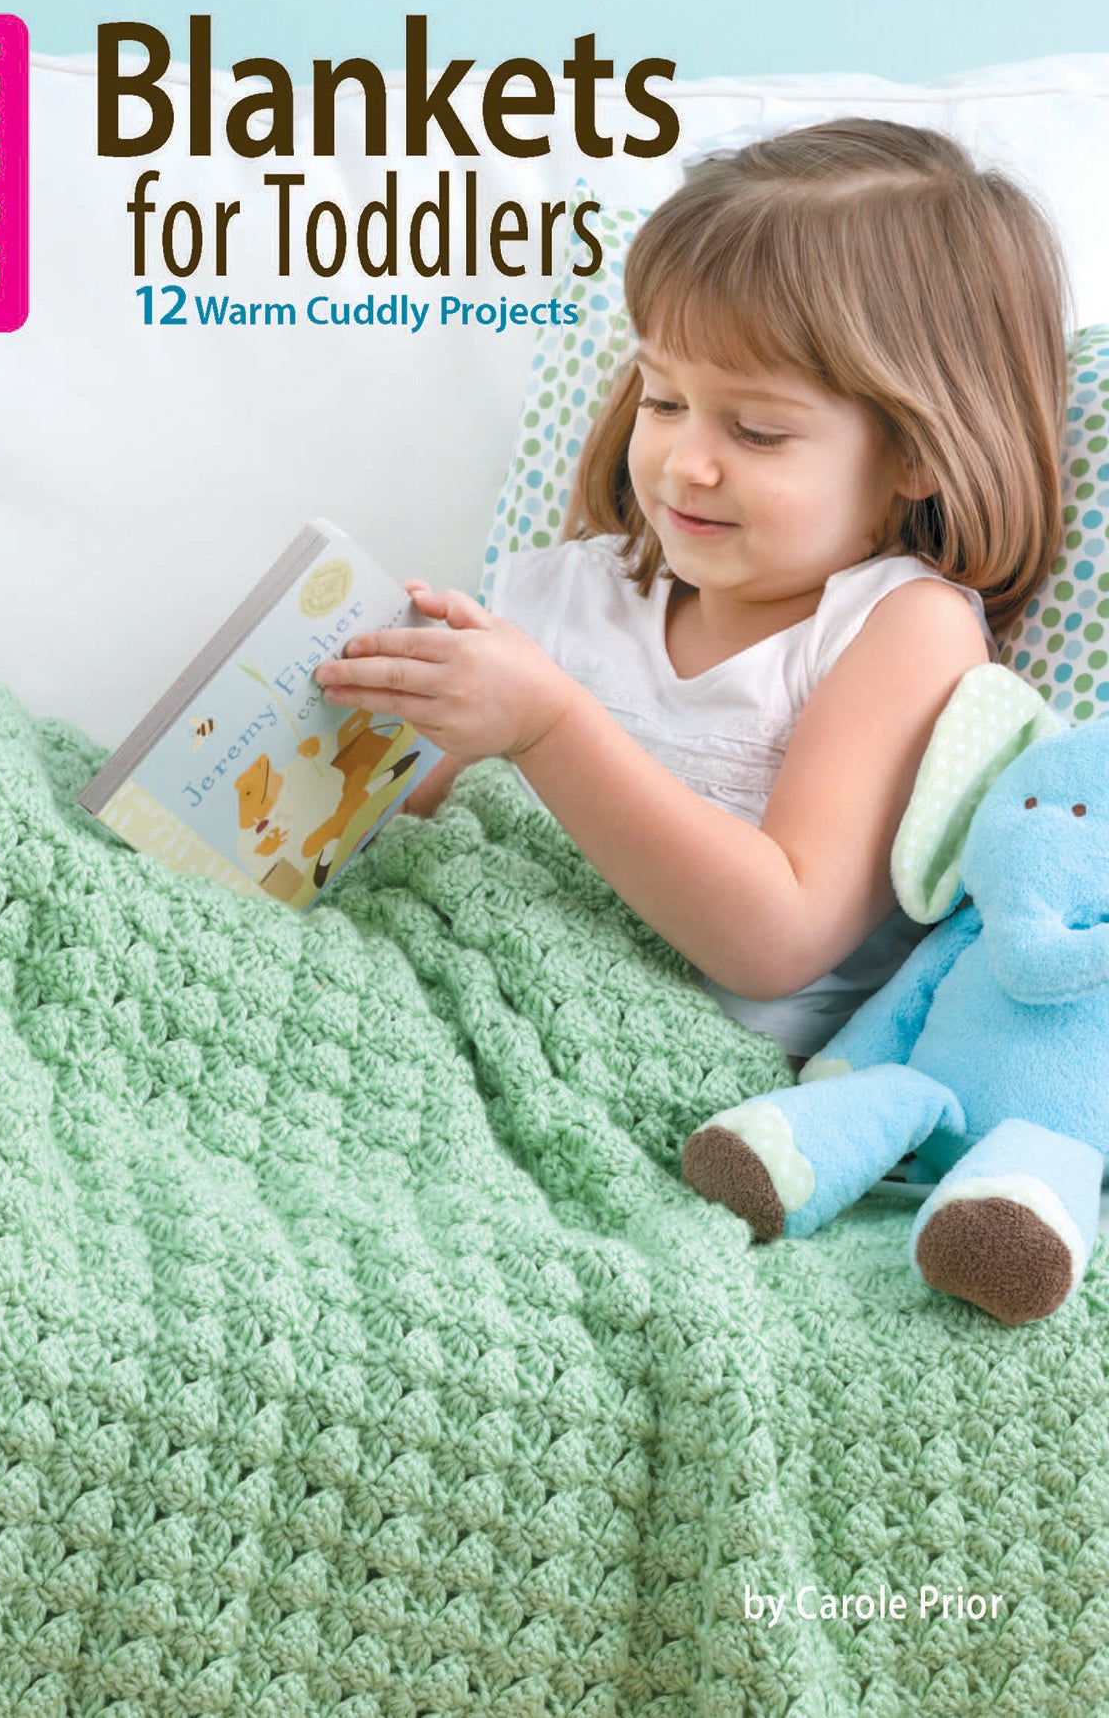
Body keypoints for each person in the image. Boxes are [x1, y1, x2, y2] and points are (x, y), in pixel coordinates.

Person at [312, 118, 1070, 1068]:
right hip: (440, 984)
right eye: (663, 401)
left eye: (755, 430)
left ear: (917, 450)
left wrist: (546, 726)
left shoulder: (900, 629)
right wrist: (380, 713)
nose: (683, 462)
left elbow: (775, 937)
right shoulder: (575, 590)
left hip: (664, 1064)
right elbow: (409, 832)